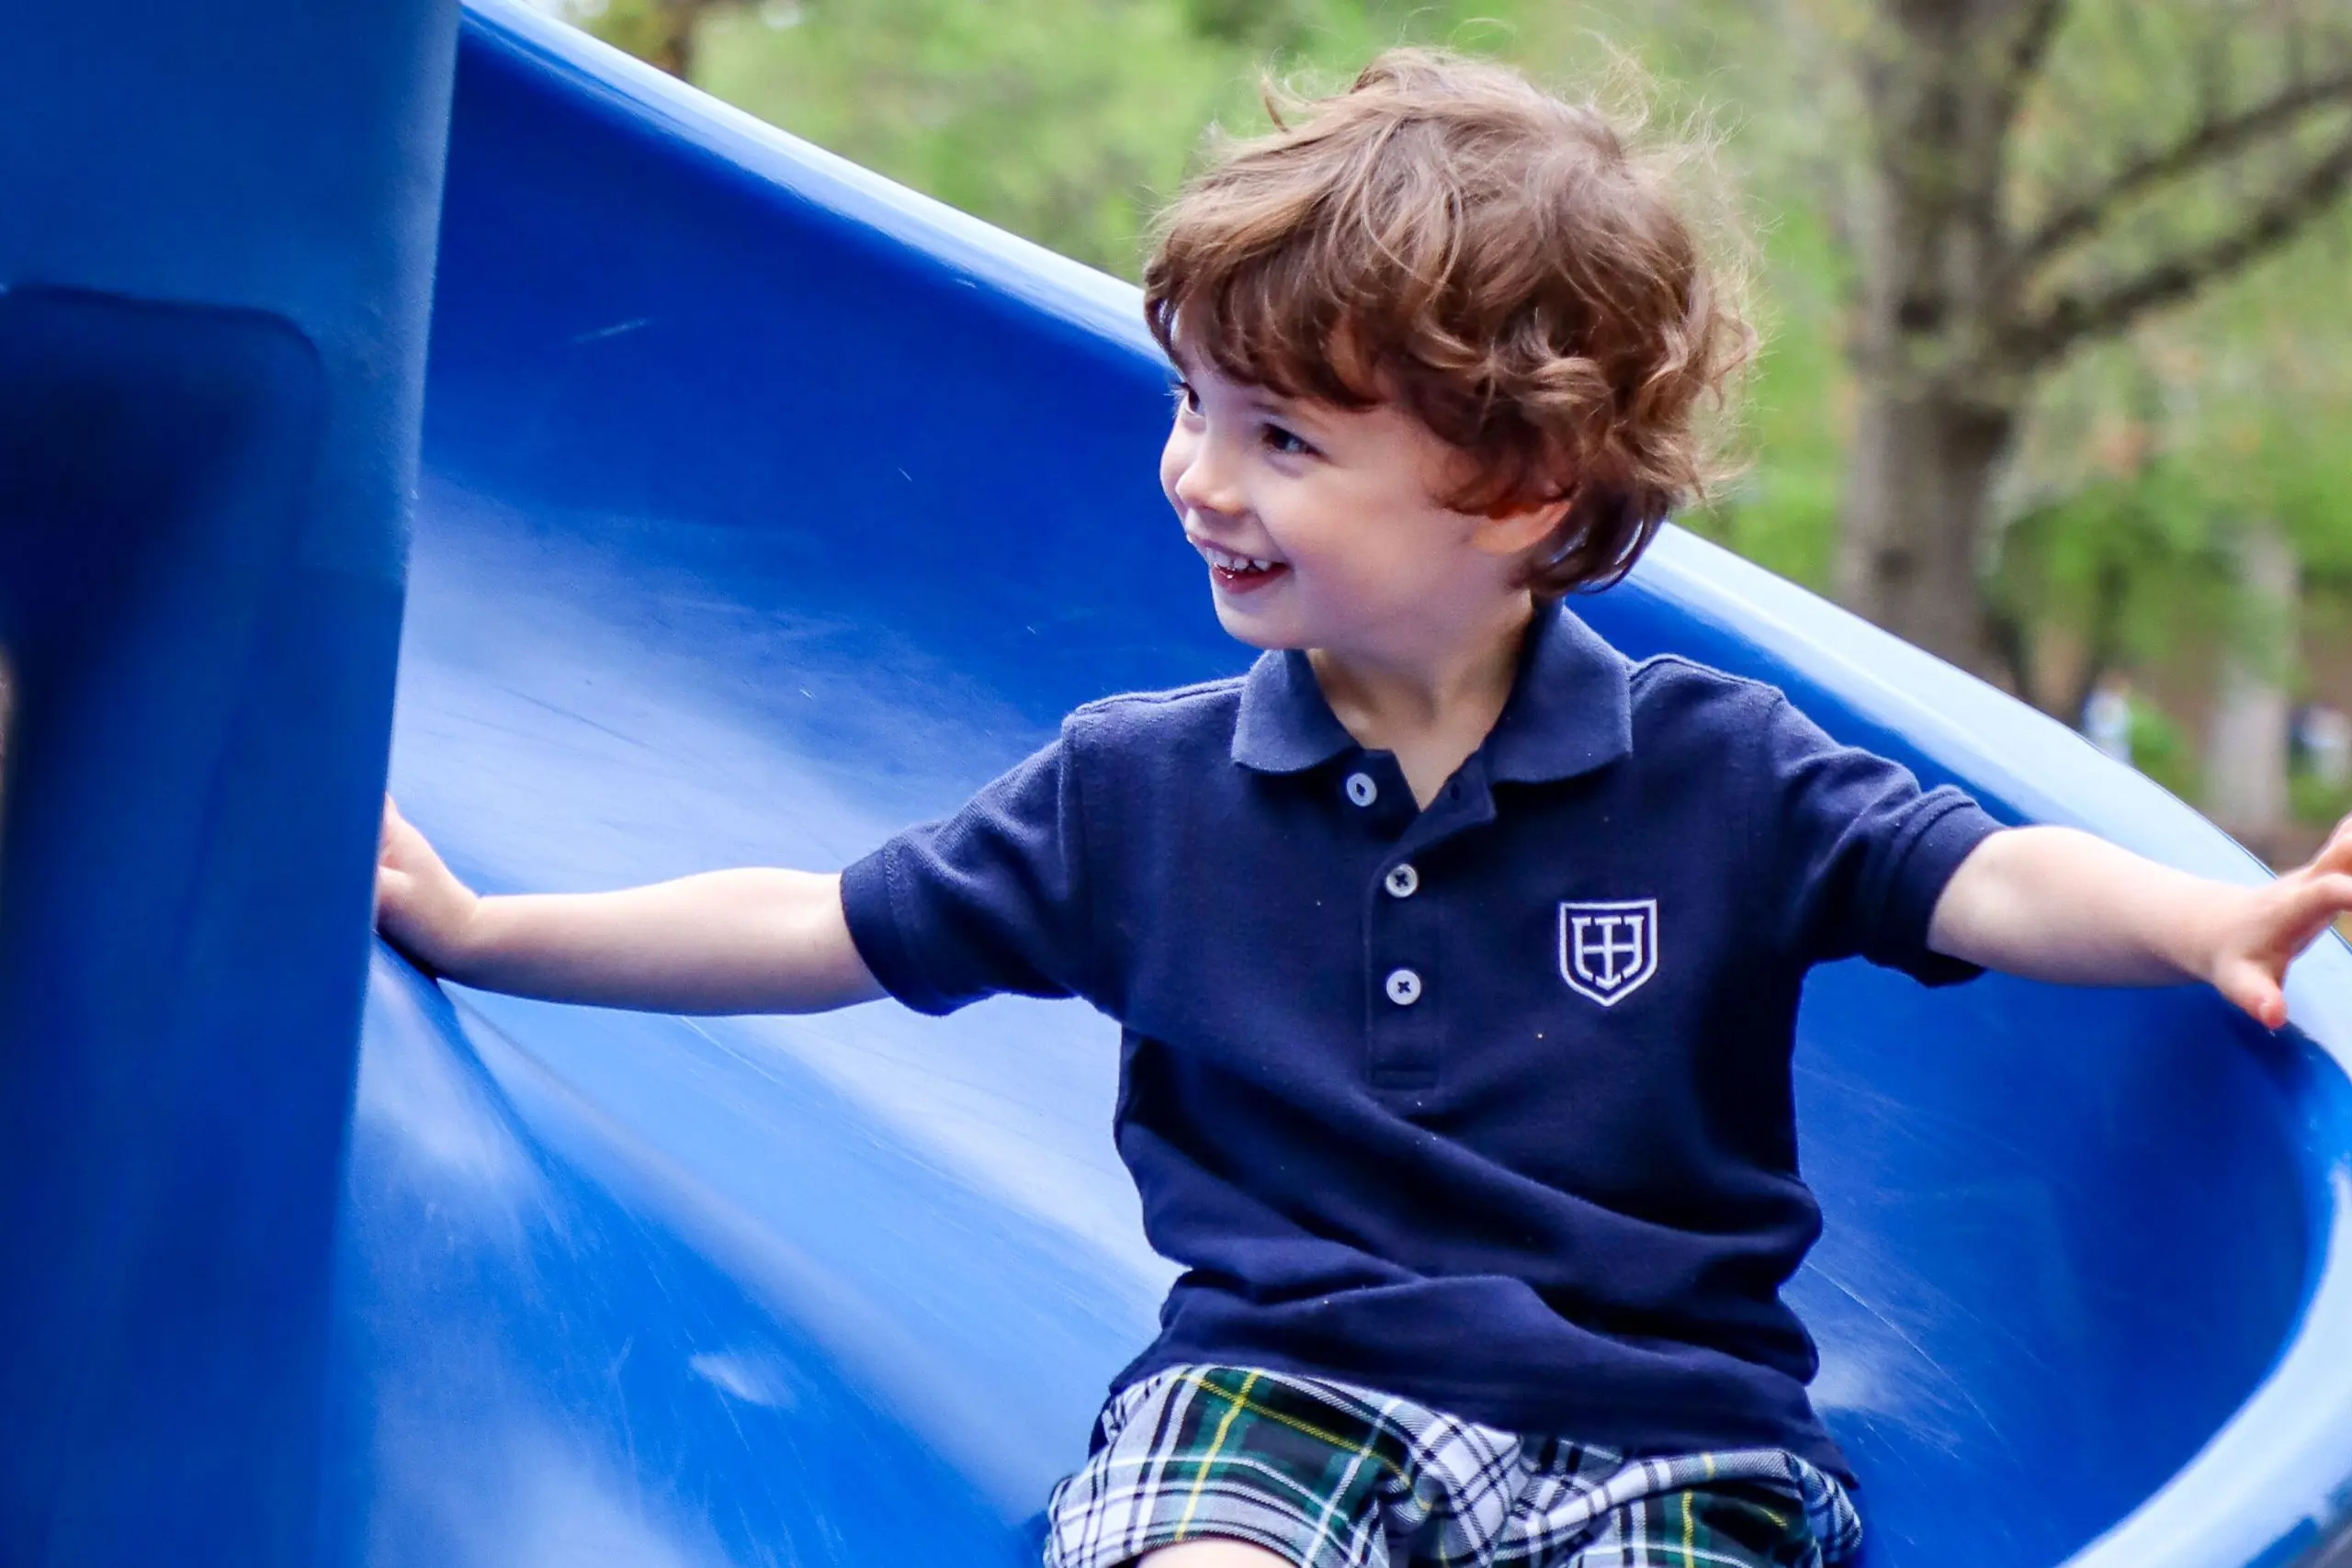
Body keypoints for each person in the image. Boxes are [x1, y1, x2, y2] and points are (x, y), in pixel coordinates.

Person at [375, 50, 2352, 1568]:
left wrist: (2195, 922)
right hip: (1285, 1394)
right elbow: (824, 926)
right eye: (1189, 406)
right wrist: (488, 929)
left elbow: (1980, 876)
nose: (1192, 476)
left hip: (1671, 1433)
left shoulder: (1712, 770)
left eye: (1282, 439)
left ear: (1528, 495)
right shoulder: (1135, 793)